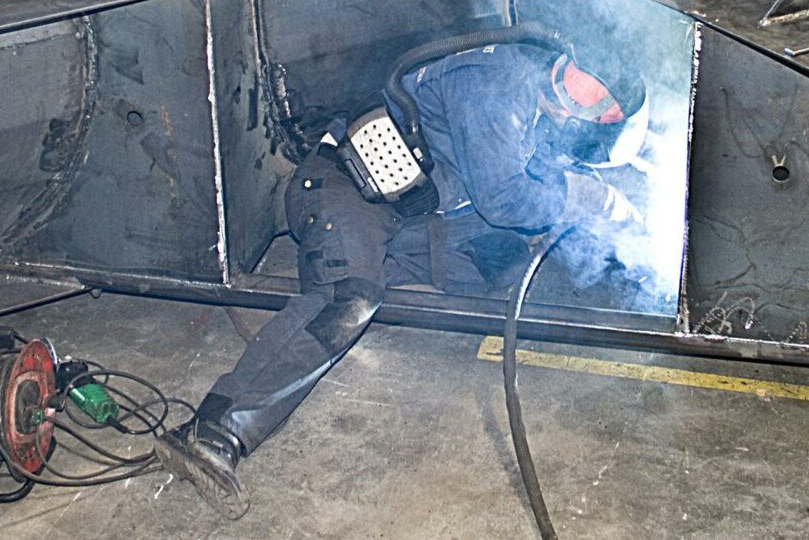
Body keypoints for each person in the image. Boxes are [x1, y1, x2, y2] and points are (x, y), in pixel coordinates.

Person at [154, 35, 647, 517]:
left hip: (406, 212)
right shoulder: (496, 83)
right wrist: (586, 199)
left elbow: (529, 181)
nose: (575, 102)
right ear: (567, 62)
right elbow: (504, 199)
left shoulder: (534, 101)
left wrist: (594, 203)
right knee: (349, 298)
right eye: (582, 88)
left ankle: (363, 263)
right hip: (340, 189)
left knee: (501, 255)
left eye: (591, 105)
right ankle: (213, 432)